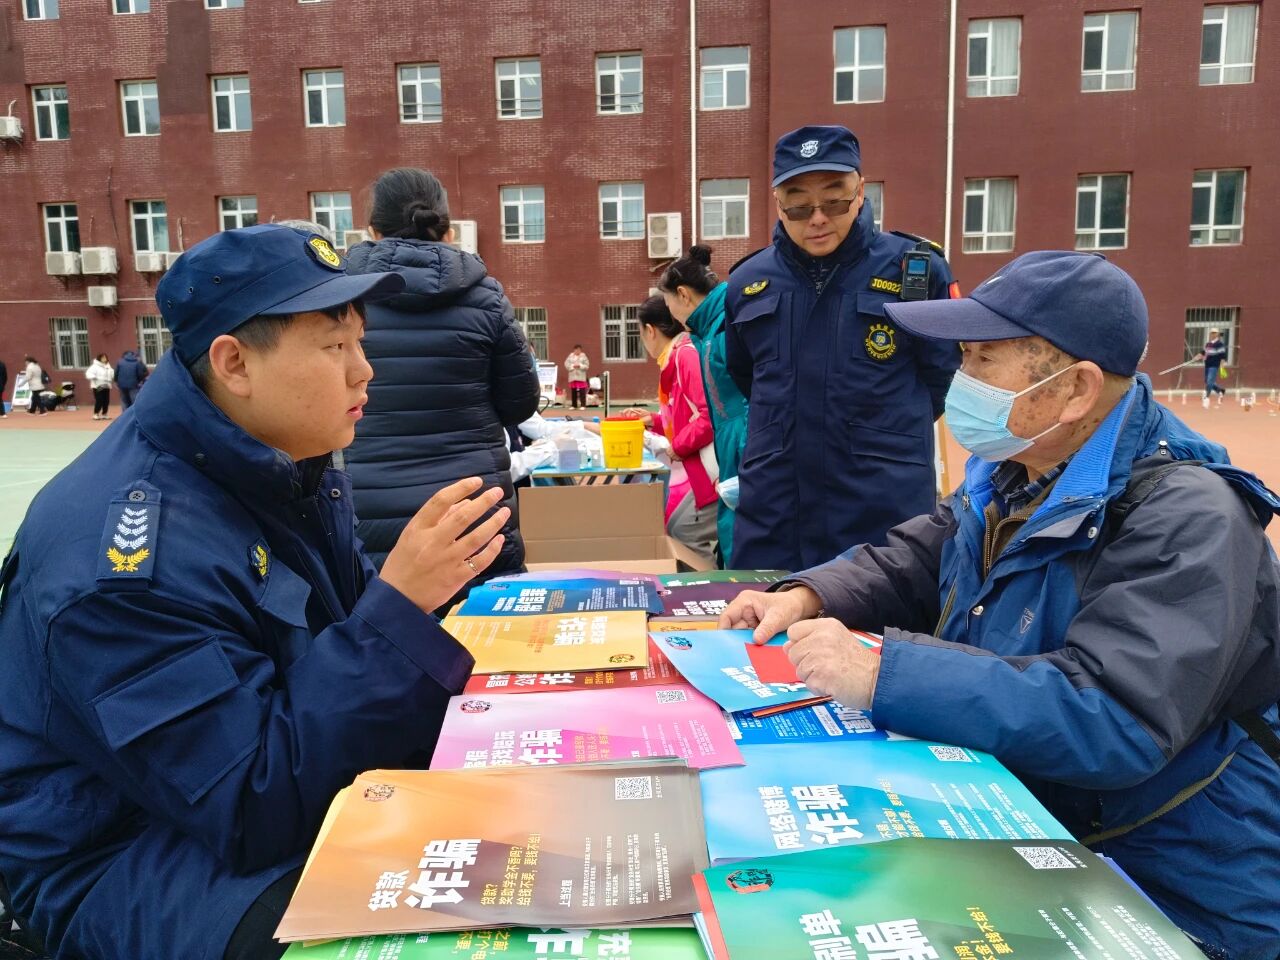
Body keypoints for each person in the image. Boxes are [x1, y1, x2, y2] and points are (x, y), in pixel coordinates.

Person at [721, 251, 1280, 959]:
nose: (961, 380)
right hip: (1032, 821)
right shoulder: (1018, 467)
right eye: (963, 358)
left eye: (984, 359)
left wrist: (884, 673)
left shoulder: (1189, 517)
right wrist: (813, 592)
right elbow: (923, 555)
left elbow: (1116, 716)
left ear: (1075, 389)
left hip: (1172, 881)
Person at [0, 224, 501, 960]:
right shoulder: (123, 565)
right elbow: (248, 802)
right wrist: (399, 610)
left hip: (235, 803)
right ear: (234, 363)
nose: (364, 371)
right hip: (120, 859)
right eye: (334, 347)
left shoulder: (281, 463)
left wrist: (401, 617)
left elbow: (335, 656)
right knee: (424, 922)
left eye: (360, 342)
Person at [724, 125, 960, 573]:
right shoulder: (747, 282)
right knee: (762, 615)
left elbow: (942, 377)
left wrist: (875, 429)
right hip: (776, 514)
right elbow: (746, 376)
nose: (817, 219)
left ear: (860, 191)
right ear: (778, 203)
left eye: (834, 200)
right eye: (799, 205)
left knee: (880, 615)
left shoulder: (915, 271)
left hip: (880, 510)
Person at [344, 167, 541, 595]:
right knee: (486, 624)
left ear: (373, 230)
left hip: (371, 510)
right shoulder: (486, 296)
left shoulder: (342, 298)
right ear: (448, 231)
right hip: (472, 508)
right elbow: (520, 403)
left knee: (383, 622)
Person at [659, 245, 748, 566]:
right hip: (732, 451)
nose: (671, 315)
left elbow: (743, 404)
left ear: (683, 294)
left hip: (743, 451)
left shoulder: (724, 328)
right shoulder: (710, 329)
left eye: (668, 304)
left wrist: (743, 463)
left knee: (740, 545)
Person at [623, 296, 718, 567]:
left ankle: (708, 584)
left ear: (650, 330)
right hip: (701, 467)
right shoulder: (674, 358)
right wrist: (653, 420)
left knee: (684, 529)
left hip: (713, 468)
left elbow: (708, 415)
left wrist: (677, 446)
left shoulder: (684, 356)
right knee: (679, 526)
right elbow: (684, 415)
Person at [1195, 327, 1228, 408]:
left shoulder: (1220, 344)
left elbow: (1223, 356)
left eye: (1214, 333)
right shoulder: (1208, 344)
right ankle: (1220, 390)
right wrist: (1197, 357)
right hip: (1207, 365)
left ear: (1217, 334)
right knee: (1207, 381)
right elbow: (1203, 352)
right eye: (1212, 333)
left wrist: (1222, 366)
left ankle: (1206, 397)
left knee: (1209, 381)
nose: (1213, 334)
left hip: (1214, 365)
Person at [86, 352, 114, 420]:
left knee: (106, 401)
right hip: (98, 386)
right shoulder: (95, 366)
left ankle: (104, 414)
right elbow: (88, 374)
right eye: (103, 358)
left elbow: (112, 375)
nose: (105, 359)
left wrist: (113, 376)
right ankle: (96, 414)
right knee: (99, 400)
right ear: (99, 358)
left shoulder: (108, 366)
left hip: (107, 385)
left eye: (105, 357)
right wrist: (94, 377)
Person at [565, 344, 590, 409]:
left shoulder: (583, 356)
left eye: (579, 350)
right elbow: (566, 364)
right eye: (576, 350)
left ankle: (583, 405)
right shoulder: (570, 356)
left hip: (581, 376)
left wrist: (580, 366)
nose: (577, 351)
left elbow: (587, 365)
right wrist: (572, 366)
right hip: (573, 376)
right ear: (574, 350)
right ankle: (574, 405)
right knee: (573, 391)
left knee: (582, 391)